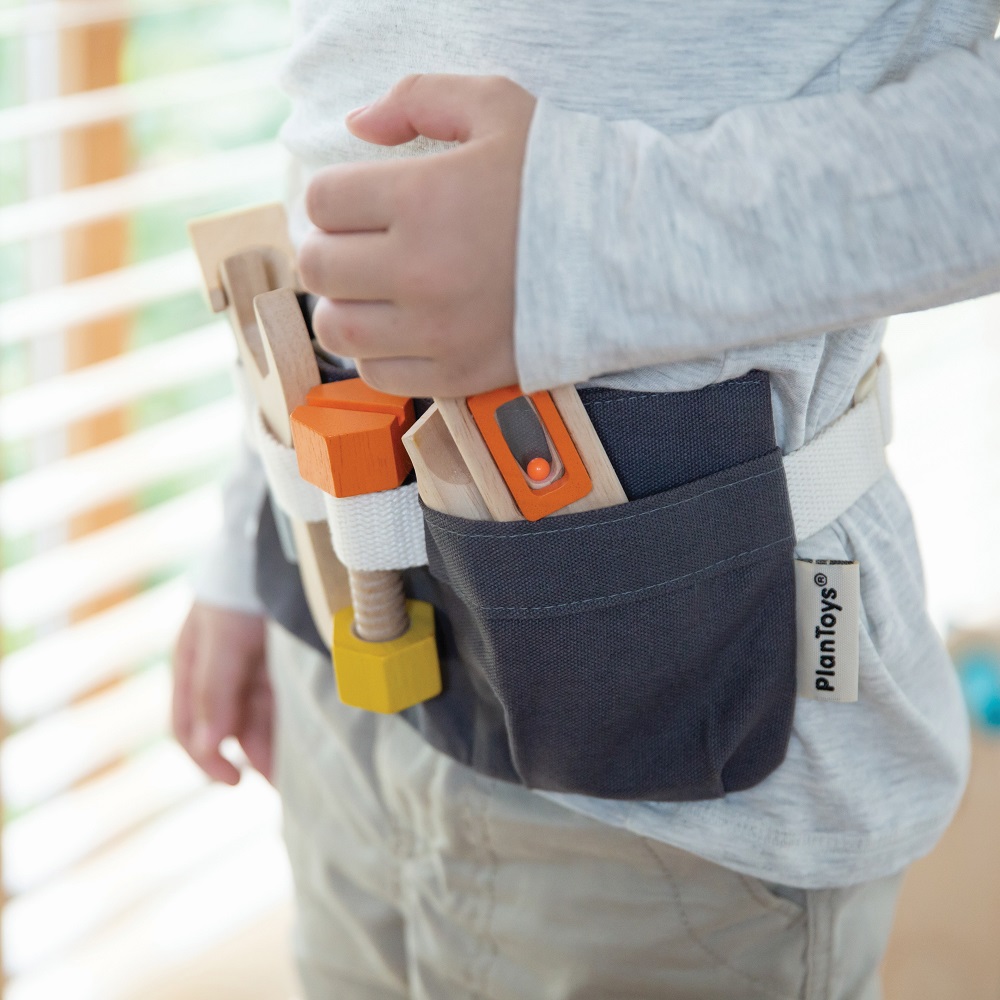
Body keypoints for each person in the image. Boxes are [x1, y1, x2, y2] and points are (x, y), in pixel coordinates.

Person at [172, 2, 1000, 997]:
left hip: (670, 791)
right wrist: (245, 524)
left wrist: (588, 233)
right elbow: (352, 63)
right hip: (335, 661)